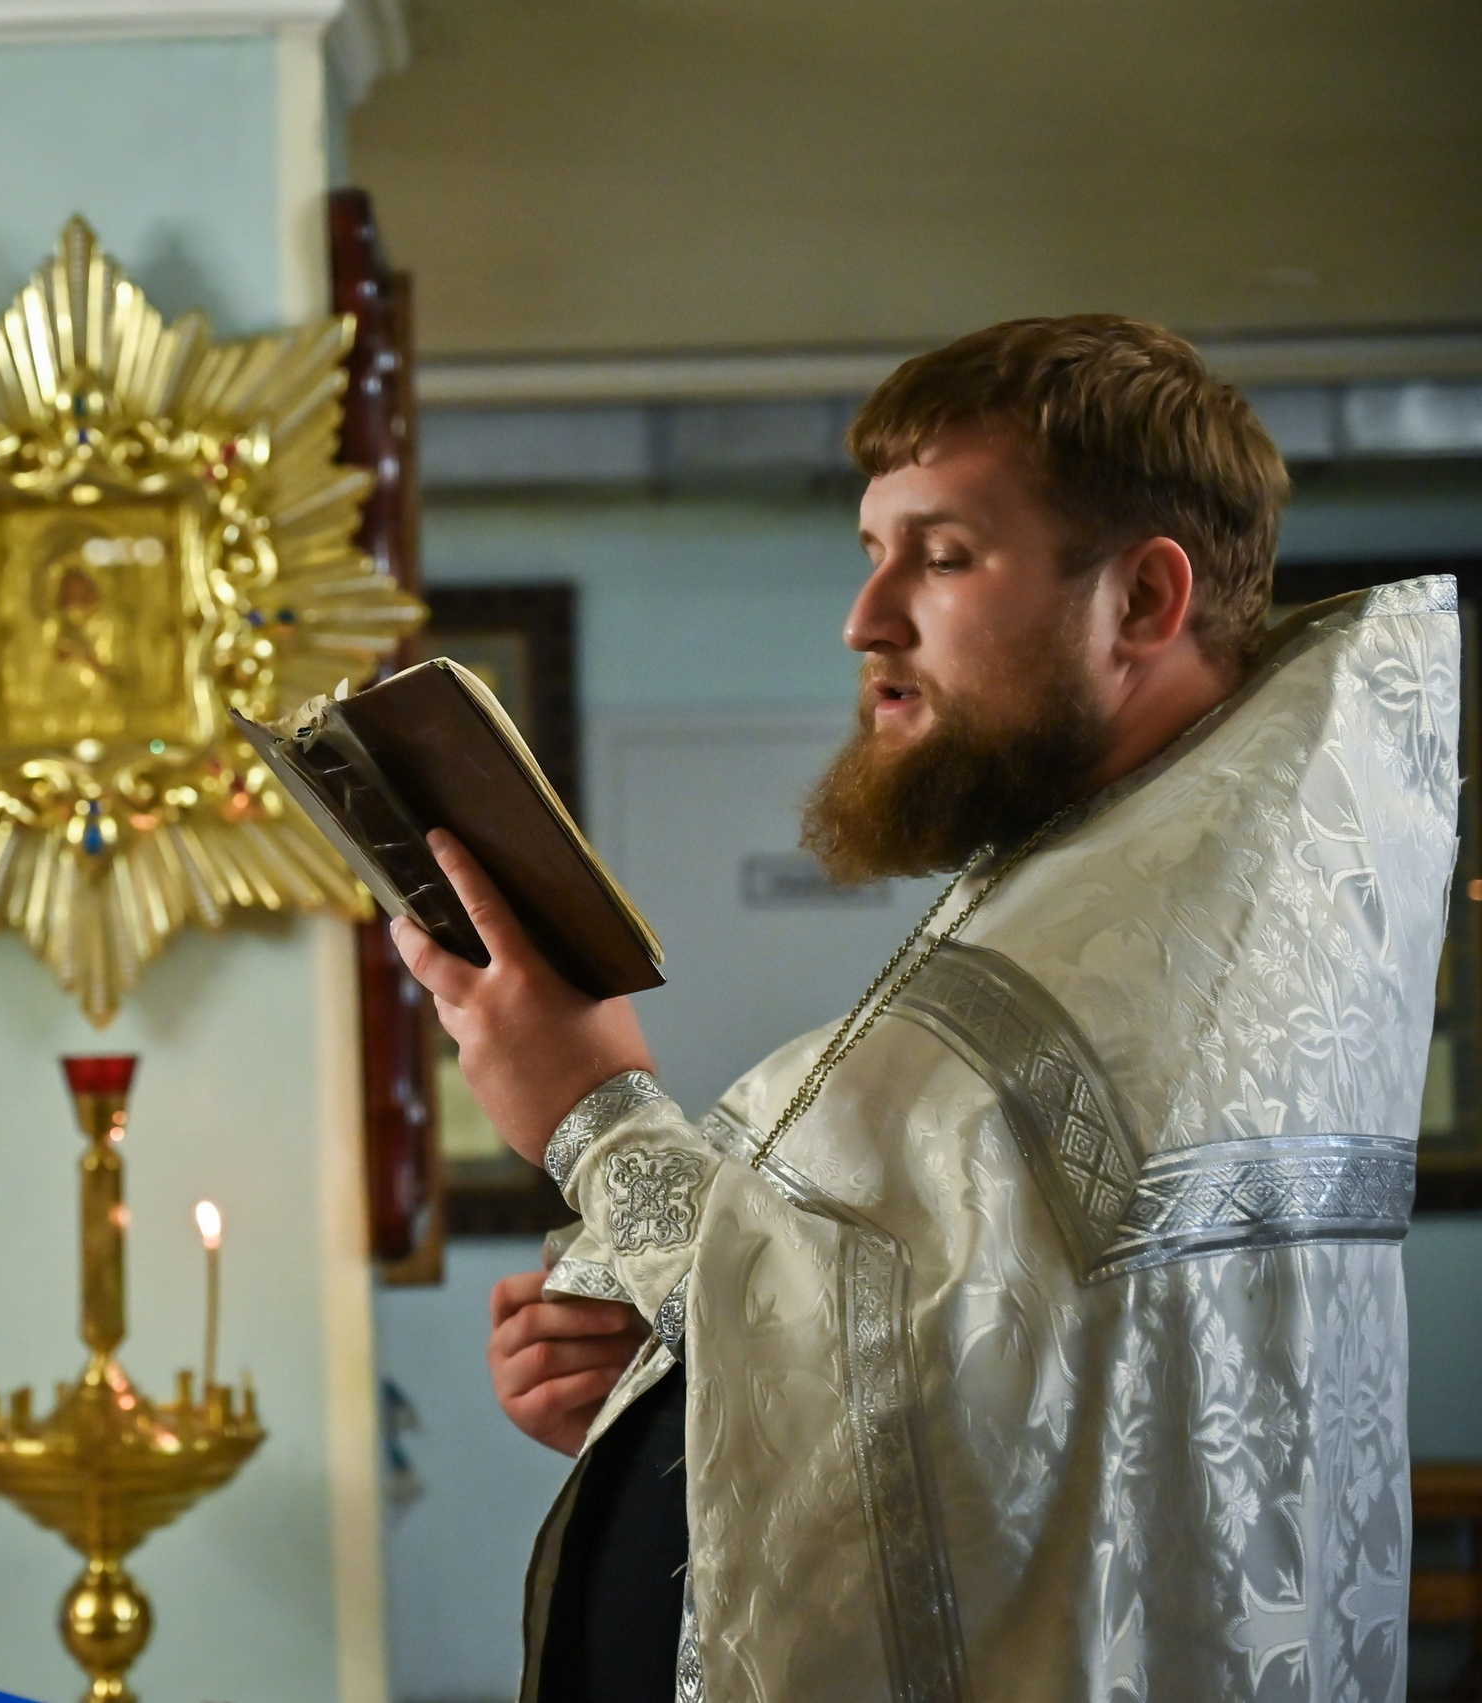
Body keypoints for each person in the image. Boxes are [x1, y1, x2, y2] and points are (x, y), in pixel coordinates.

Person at [397, 317, 1448, 1703]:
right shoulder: (1123, 882)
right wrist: (658, 1371)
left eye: (942, 558)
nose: (865, 618)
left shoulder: (1169, 953)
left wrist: (594, 1120)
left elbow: (914, 1398)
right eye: (871, 551)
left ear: (1141, 600)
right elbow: (975, 1391)